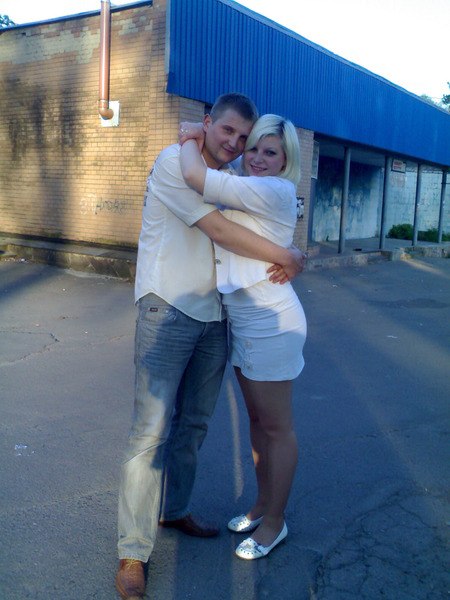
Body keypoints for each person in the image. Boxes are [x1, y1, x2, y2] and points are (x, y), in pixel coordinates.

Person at [115, 95, 307, 599]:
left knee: (195, 426)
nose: (238, 145)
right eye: (229, 132)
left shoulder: (233, 178)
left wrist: (293, 250)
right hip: (167, 310)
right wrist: (288, 254)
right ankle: (133, 551)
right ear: (208, 124)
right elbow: (218, 229)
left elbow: (270, 213)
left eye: (247, 139)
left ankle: (174, 510)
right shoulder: (175, 162)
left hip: (217, 319)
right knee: (150, 431)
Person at [179, 113, 307, 560]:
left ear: (286, 160)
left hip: (272, 323)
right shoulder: (245, 184)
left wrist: (191, 137)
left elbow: (195, 175)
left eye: (270, 152)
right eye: (253, 148)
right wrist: (293, 254)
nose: (256, 158)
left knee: (277, 428)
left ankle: (275, 523)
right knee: (257, 424)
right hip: (246, 321)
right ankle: (261, 506)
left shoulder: (274, 189)